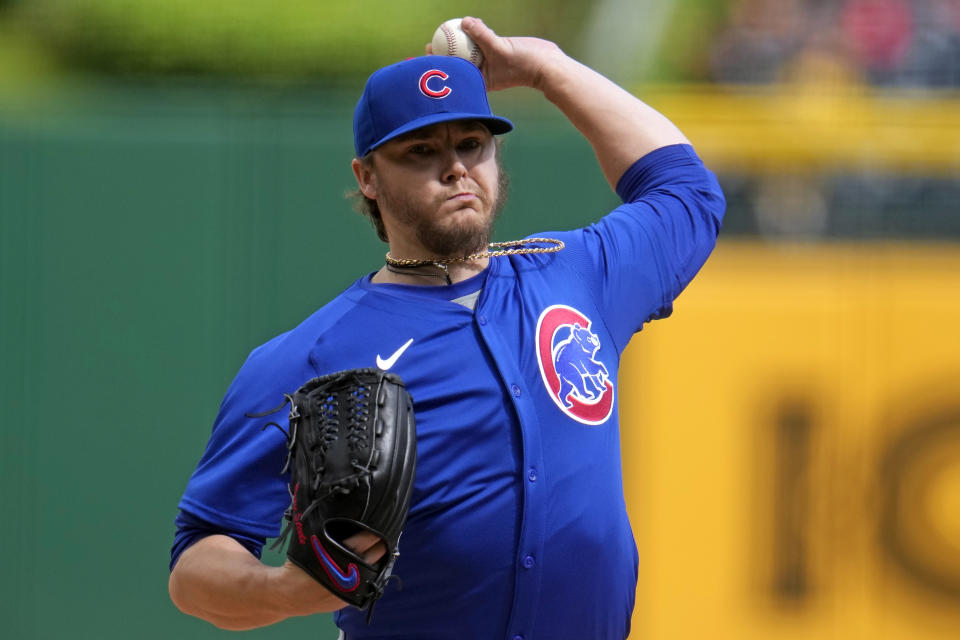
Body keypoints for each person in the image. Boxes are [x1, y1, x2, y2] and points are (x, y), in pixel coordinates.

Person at [168, 16, 724, 640]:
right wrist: (278, 590)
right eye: (422, 150)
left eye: (472, 143)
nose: (456, 167)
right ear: (368, 178)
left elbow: (686, 191)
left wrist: (546, 68)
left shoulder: (576, 277)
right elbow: (196, 561)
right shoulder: (312, 354)